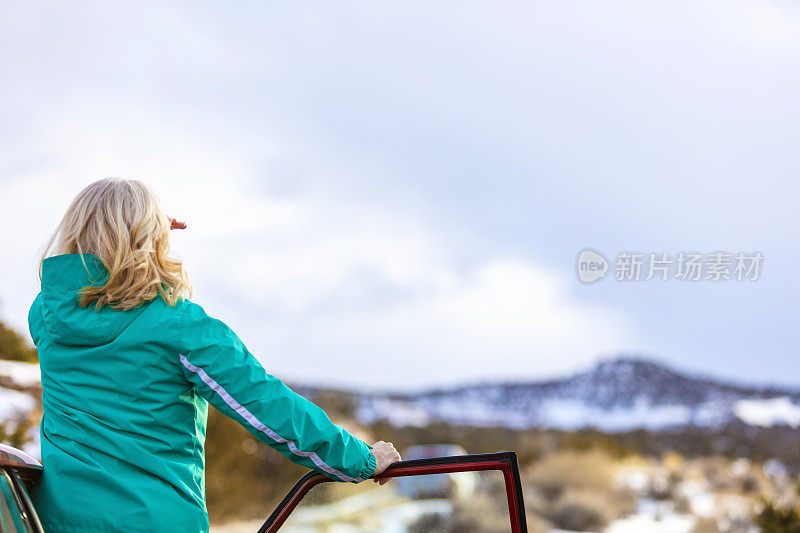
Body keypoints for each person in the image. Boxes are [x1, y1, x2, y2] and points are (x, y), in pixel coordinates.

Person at [28, 178, 401, 532]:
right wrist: (360, 459)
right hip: (153, 523)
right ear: (148, 238)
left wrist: (136, 237)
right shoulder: (180, 326)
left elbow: (97, 303)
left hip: (55, 522)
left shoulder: (45, 317)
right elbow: (267, 405)